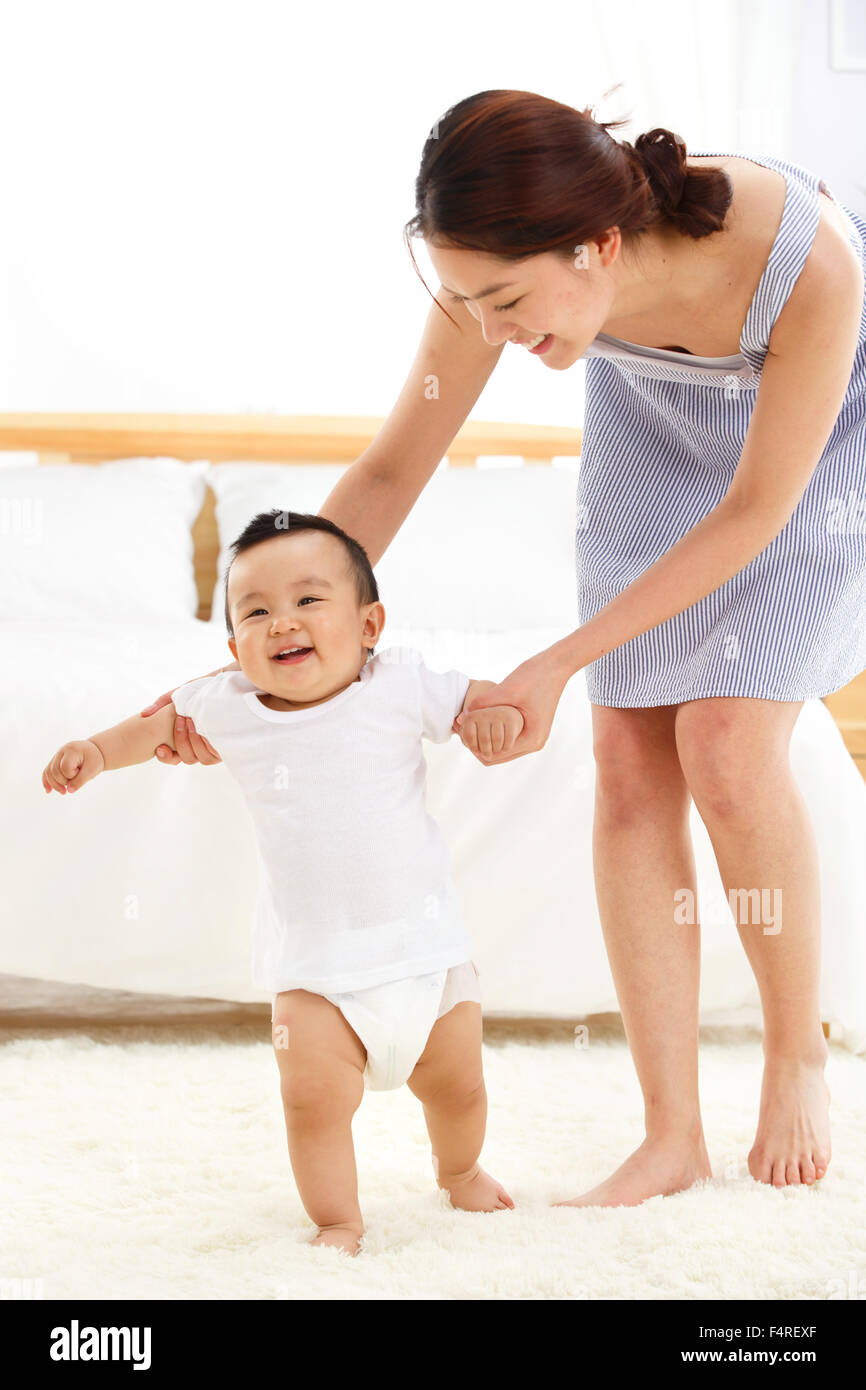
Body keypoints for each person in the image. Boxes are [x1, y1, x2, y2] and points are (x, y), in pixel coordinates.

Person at [143, 89, 866, 1206]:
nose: (486, 331)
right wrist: (239, 667)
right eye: (466, 302)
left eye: (507, 302)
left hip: (801, 470)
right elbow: (390, 472)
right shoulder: (495, 280)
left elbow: (752, 509)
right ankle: (669, 1133)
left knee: (725, 744)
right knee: (630, 765)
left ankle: (793, 1054)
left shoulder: (805, 264)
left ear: (599, 245)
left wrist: (558, 658)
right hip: (652, 443)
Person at [42, 509, 520, 1255]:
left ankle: (459, 1172)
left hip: (428, 958)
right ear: (233, 649)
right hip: (318, 974)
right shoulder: (227, 708)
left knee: (459, 1087)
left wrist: (490, 718)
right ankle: (338, 1218)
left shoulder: (398, 684)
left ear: (369, 625)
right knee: (312, 1101)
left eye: (307, 600)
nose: (281, 623)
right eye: (255, 611)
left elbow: (479, 701)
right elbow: (154, 727)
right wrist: (97, 752)